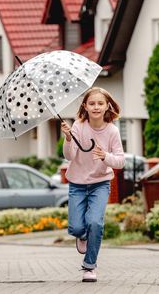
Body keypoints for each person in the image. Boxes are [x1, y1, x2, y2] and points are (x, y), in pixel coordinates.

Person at [61, 87, 125, 283]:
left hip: (100, 184)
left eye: (100, 103)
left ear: (107, 106)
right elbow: (69, 156)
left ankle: (89, 267)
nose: (96, 107)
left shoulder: (112, 131)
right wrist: (68, 138)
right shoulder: (78, 127)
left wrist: (105, 156)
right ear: (85, 106)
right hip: (77, 184)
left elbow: (121, 161)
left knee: (95, 223)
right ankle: (81, 235)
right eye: (92, 103)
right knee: (76, 227)